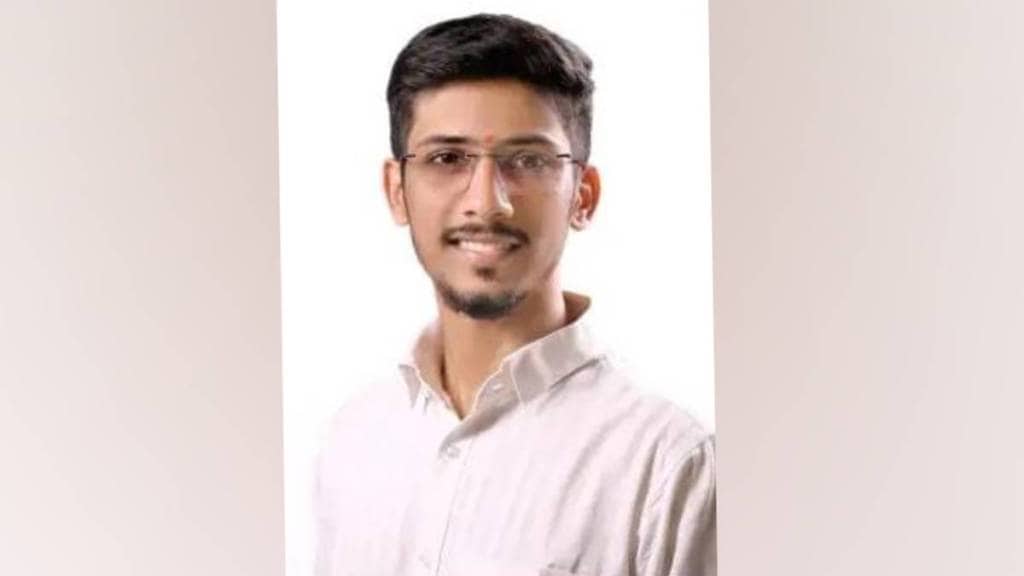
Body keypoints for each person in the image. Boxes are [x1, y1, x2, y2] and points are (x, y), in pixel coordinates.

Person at [314, 13, 715, 576]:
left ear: (583, 195)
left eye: (527, 160)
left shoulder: (666, 464)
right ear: (396, 190)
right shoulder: (353, 442)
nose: (486, 202)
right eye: (447, 158)